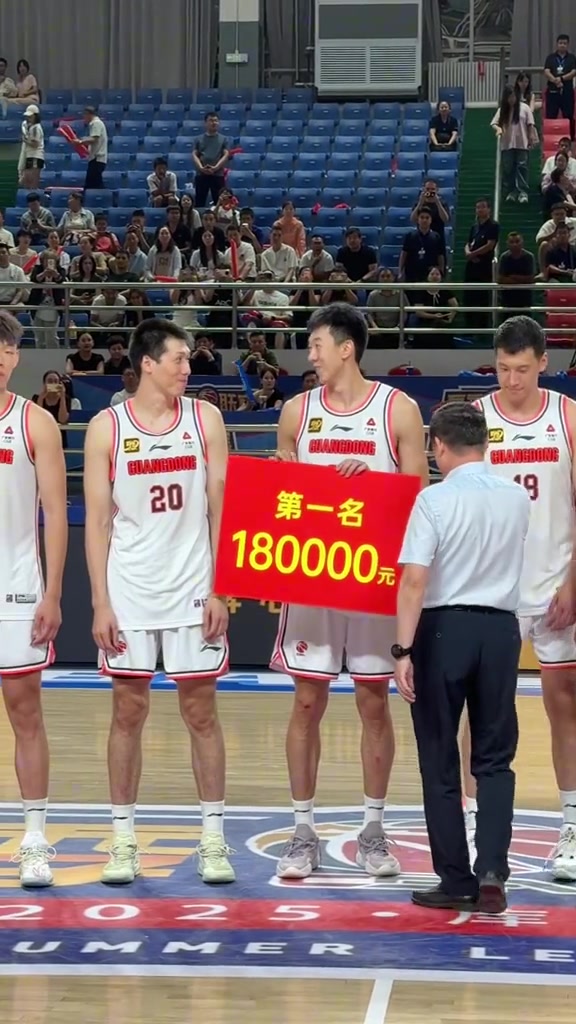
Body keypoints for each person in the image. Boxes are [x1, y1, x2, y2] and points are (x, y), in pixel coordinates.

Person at [269, 302, 429, 879]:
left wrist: (375, 482)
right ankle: (302, 832)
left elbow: (420, 494)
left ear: (346, 348)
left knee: (372, 701)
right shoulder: (296, 410)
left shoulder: (397, 409)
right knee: (306, 701)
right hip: (313, 575)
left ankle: (373, 830)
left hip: (370, 576)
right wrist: (281, 471)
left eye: (316, 344)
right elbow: (283, 492)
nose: (309, 354)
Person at [83, 318, 234, 885]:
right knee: (128, 712)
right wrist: (100, 602)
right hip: (130, 590)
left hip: (193, 587)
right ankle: (123, 839)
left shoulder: (205, 418)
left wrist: (221, 587)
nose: (188, 368)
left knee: (201, 713)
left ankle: (213, 839)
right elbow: (97, 521)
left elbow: (220, 508)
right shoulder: (107, 426)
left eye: (189, 359)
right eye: (179, 359)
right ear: (147, 363)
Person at [394, 402, 529, 914]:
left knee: (439, 756)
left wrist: (403, 650)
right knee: (494, 758)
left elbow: (414, 579)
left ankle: (455, 879)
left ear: (438, 446)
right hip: (501, 630)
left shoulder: (434, 499)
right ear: (485, 443)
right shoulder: (517, 497)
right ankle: (492, 869)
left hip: (444, 629)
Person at [459, 316, 576, 882]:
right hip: (492, 590)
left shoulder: (568, 417)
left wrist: (573, 582)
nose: (512, 380)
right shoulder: (475, 418)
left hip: (555, 586)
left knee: (564, 705)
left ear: (543, 363)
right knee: (481, 712)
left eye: (522, 369)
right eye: (503, 369)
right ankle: (473, 823)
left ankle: (571, 828)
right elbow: (455, 506)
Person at [0, 310, 68, 886]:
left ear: (16, 356)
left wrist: (53, 593)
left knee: (26, 712)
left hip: (16, 588)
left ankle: (35, 840)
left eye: (6, 349)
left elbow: (56, 515)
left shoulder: (35, 423)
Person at [491, 84, 538, 204]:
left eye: (513, 96)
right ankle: (511, 191)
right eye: (509, 97)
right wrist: (498, 129)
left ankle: (522, 191)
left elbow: (530, 124)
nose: (512, 99)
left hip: (522, 143)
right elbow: (494, 123)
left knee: (522, 167)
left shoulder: (524, 108)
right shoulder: (502, 110)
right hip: (507, 144)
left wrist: (531, 137)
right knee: (508, 168)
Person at [544, 34, 576, 135]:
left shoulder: (572, 58)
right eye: (560, 43)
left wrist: (561, 78)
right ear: (557, 44)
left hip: (567, 91)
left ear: (568, 45)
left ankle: (570, 137)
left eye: (564, 43)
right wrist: (555, 80)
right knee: (551, 114)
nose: (562, 45)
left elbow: (574, 72)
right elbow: (546, 71)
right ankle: (550, 136)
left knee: (568, 115)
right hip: (553, 90)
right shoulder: (550, 58)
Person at [80, 107, 108, 191]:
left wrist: (80, 141)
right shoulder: (97, 123)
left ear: (88, 114)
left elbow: (94, 139)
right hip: (96, 159)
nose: (84, 117)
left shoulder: (96, 123)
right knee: (95, 184)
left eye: (84, 115)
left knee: (92, 185)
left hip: (97, 158)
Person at [18, 104, 44, 190]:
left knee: (32, 182)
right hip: (29, 155)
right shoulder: (29, 127)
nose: (28, 118)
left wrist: (24, 140)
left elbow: (35, 144)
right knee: (27, 182)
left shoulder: (36, 128)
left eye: (30, 116)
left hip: (35, 156)